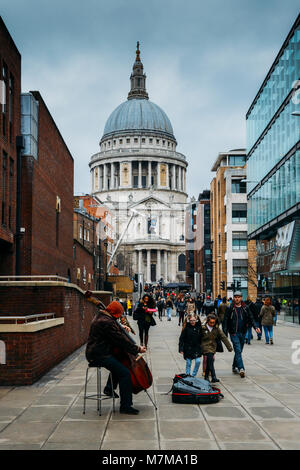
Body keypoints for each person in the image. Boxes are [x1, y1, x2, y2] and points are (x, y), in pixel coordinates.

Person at [85, 298, 146, 415]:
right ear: (114, 313)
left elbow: (114, 333)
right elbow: (120, 340)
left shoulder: (103, 317)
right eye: (118, 315)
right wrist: (138, 349)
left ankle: (109, 388)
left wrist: (122, 329)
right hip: (99, 355)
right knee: (125, 373)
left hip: (100, 351)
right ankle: (125, 406)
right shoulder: (106, 322)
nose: (118, 317)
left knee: (120, 363)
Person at [223, 291, 261, 378]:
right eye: (235, 297)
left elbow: (251, 318)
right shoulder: (230, 307)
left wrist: (256, 327)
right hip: (233, 333)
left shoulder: (245, 307)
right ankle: (241, 369)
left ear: (241, 298)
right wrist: (225, 332)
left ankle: (234, 366)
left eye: (238, 297)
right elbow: (225, 320)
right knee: (238, 350)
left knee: (239, 351)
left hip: (243, 332)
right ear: (234, 298)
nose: (237, 298)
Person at [201, 314, 233, 383]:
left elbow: (223, 337)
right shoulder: (202, 327)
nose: (212, 324)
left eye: (213, 322)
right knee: (210, 358)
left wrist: (229, 347)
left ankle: (207, 377)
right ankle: (213, 376)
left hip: (212, 346)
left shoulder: (216, 328)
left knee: (210, 360)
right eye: (211, 322)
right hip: (204, 346)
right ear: (207, 321)